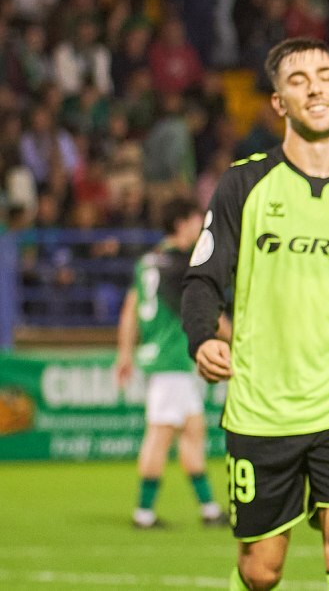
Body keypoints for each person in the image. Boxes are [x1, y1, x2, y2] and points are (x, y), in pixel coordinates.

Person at [182, 37, 329, 591]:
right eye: (297, 79)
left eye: (325, 74)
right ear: (278, 103)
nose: (314, 86)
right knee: (260, 571)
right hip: (261, 407)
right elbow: (202, 277)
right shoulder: (244, 185)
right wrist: (202, 337)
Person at [114, 196, 224, 530]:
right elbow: (198, 310)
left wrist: (125, 352)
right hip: (171, 358)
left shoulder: (148, 261)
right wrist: (241, 336)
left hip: (158, 355)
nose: (200, 227)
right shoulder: (180, 263)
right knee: (160, 436)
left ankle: (209, 509)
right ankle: (143, 514)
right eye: (195, 220)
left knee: (193, 430)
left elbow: (130, 307)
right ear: (180, 224)